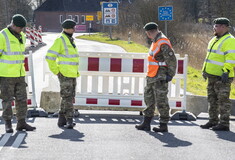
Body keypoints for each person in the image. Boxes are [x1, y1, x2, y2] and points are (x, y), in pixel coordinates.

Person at [135, 22, 177, 132]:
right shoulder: (156, 41)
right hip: (152, 75)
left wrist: (170, 74)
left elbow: (171, 60)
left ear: (149, 33)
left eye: (147, 33)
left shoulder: (162, 41)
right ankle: (146, 123)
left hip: (160, 76)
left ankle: (163, 125)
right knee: (149, 98)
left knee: (161, 100)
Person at [0, 14, 36, 133]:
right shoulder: (2, 35)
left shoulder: (22, 36)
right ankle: (8, 124)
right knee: (7, 100)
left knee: (22, 99)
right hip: (6, 75)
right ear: (13, 25)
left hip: (20, 74)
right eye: (20, 27)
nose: (21, 30)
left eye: (22, 28)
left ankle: (21, 122)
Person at [201, 17, 235, 131]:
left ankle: (224, 123)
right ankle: (213, 120)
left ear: (224, 27)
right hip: (211, 76)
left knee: (223, 101)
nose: (214, 28)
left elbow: (231, 58)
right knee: (212, 99)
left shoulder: (230, 40)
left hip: (222, 77)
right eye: (214, 26)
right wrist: (204, 70)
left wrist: (226, 71)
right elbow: (209, 57)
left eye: (217, 26)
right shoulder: (214, 39)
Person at [46, 19, 79, 129]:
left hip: (72, 73)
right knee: (68, 98)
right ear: (68, 28)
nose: (75, 29)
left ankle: (61, 119)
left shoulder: (69, 39)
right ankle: (69, 119)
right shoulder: (60, 40)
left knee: (68, 97)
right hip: (65, 74)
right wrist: (56, 71)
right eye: (73, 28)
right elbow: (49, 57)